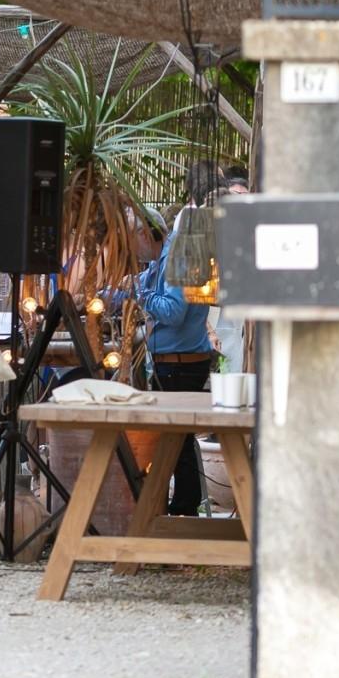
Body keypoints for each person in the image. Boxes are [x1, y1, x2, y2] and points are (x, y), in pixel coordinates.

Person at [137, 165, 220, 517]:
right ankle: (183, 507)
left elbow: (173, 311)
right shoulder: (165, 257)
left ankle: (184, 510)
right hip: (179, 357)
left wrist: (137, 293)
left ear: (146, 232)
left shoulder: (179, 253)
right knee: (179, 440)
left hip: (182, 360)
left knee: (178, 440)